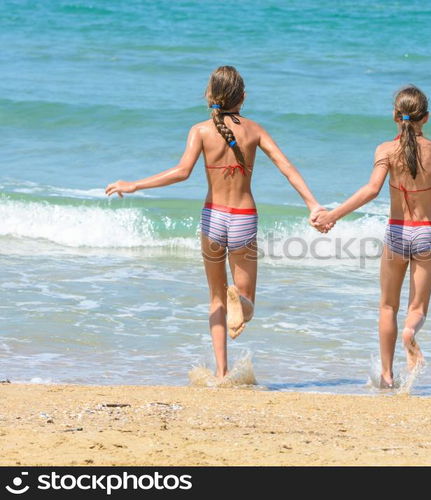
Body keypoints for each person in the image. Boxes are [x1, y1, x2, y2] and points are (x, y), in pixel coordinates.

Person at [106, 65, 331, 380]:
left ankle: (222, 373)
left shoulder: (200, 130)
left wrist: (134, 185)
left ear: (210, 95)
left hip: (213, 218)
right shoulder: (254, 130)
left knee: (215, 297)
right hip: (242, 218)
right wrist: (312, 203)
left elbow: (181, 172)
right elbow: (285, 166)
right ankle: (243, 303)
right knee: (246, 300)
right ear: (243, 97)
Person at [311, 85, 431, 388]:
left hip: (397, 231)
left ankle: (386, 376)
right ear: (427, 118)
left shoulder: (385, 150)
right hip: (426, 233)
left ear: (395, 116)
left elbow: (370, 191)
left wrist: (333, 215)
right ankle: (410, 333)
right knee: (417, 309)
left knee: (387, 307)